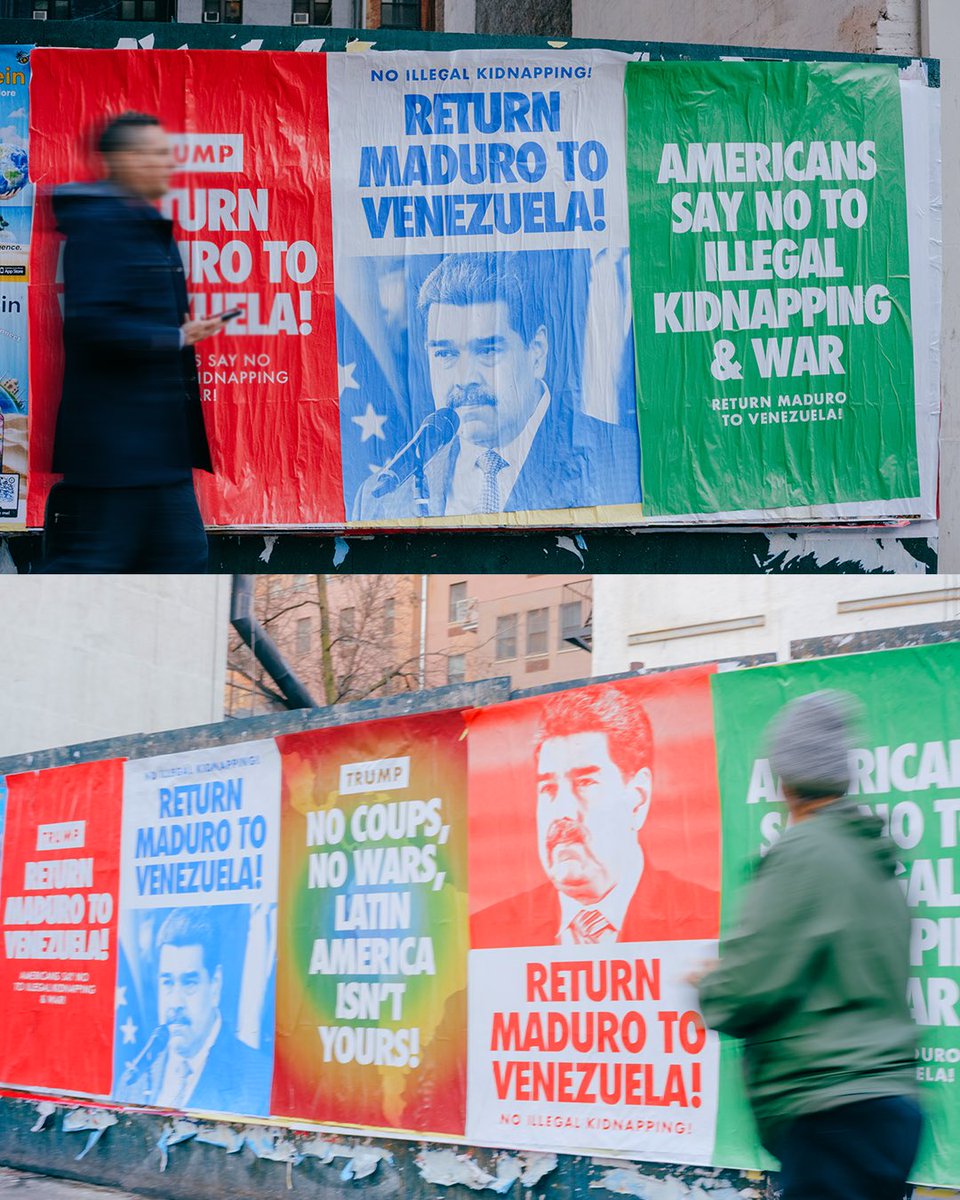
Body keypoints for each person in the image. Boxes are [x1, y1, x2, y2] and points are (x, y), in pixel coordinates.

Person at [692, 691, 922, 1200]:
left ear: (785, 779)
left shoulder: (804, 851)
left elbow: (748, 986)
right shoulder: (875, 860)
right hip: (890, 1106)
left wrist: (711, 984)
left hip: (830, 1108)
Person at [42, 111, 226, 572]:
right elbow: (93, 327)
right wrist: (174, 337)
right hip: (115, 455)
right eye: (152, 154)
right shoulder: (101, 227)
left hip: (158, 453)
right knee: (88, 573)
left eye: (166, 154)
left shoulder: (142, 226)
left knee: (184, 563)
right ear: (120, 161)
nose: (166, 164)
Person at [353, 252, 641, 519]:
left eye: (488, 351)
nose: (465, 379)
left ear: (537, 352)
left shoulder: (623, 463)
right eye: (445, 354)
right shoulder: (382, 496)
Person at [471, 686, 717, 947]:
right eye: (549, 788)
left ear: (638, 798)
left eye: (586, 783)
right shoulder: (489, 932)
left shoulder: (710, 922)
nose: (563, 812)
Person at [117, 908, 270, 1114]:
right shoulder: (136, 1077)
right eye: (168, 982)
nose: (175, 1002)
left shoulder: (258, 1083)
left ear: (215, 985)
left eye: (189, 983)